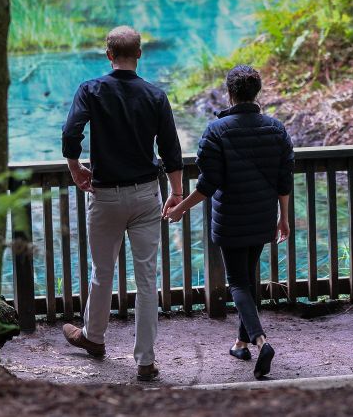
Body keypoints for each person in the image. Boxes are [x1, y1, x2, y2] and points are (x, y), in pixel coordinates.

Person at [60, 26, 184, 381]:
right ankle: (145, 361)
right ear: (140, 54)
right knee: (147, 279)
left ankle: (94, 338)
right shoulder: (155, 95)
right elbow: (171, 151)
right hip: (147, 194)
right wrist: (176, 193)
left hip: (105, 194)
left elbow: (72, 133)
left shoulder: (91, 90)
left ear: (109, 55)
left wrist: (74, 166)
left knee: (102, 272)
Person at [165, 65, 293, 380]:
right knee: (248, 279)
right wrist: (284, 218)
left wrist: (180, 208)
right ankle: (241, 343)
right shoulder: (276, 129)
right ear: (256, 92)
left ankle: (261, 340)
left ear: (230, 93)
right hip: (263, 215)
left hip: (231, 217)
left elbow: (208, 185)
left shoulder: (216, 131)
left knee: (237, 282)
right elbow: (284, 179)